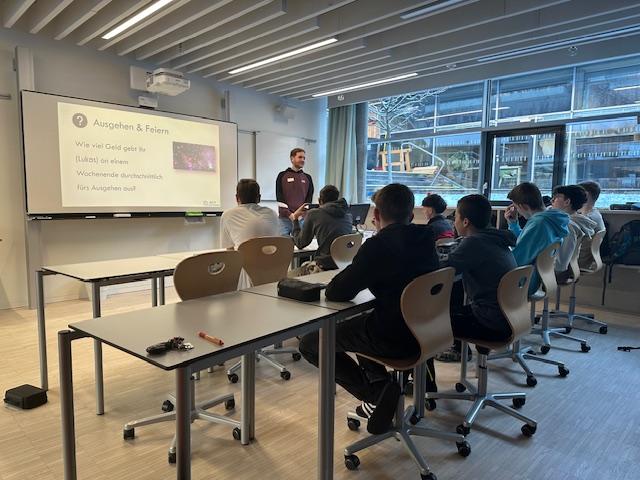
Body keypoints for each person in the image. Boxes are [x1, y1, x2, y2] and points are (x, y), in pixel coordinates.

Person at [298, 184, 439, 435]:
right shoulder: (427, 240)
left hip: (394, 337)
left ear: (376, 215)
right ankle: (381, 387)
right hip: (427, 331)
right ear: (411, 215)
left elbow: (337, 292)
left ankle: (377, 393)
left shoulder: (378, 246)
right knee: (361, 322)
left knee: (311, 343)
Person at [436, 195, 517, 365]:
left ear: (465, 221)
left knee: (427, 322)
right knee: (455, 296)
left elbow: (443, 269)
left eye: (456, 217)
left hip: (491, 323)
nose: (454, 222)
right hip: (509, 316)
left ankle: (427, 378)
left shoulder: (475, 243)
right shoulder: (497, 238)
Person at [504, 182, 569, 294]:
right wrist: (513, 224)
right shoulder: (551, 219)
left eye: (517, 207)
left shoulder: (539, 224)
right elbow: (527, 242)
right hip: (537, 277)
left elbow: (516, 260)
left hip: (524, 281)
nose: (518, 212)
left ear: (524, 206)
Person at [220, 179, 280, 288]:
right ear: (259, 197)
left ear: (237, 198)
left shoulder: (228, 215)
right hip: (274, 275)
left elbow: (230, 253)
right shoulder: (272, 214)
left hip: (247, 279)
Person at [289, 184, 353, 273]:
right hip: (344, 266)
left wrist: (295, 219)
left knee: (291, 274)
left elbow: (300, 243)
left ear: (320, 201)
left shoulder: (313, 214)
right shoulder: (348, 216)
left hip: (324, 266)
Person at [550, 184, 596, 279]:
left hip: (558, 272)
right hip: (570, 267)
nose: (551, 201)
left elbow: (560, 265)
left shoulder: (567, 226)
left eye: (556, 198)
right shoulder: (578, 221)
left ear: (567, 202)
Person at [276, 148, 314, 235]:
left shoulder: (308, 178)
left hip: (301, 219)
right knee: (282, 242)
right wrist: (291, 215)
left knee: (300, 243)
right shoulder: (282, 175)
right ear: (292, 158)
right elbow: (279, 197)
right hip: (284, 219)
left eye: (304, 158)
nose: (302, 160)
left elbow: (308, 199)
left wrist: (299, 216)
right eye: (300, 157)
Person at [578, 181, 606, 269]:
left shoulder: (587, 219)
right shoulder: (595, 213)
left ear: (586, 195)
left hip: (576, 262)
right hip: (583, 261)